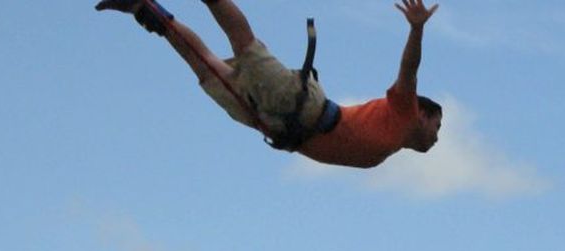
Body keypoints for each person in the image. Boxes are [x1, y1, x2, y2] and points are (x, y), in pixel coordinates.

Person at [96, 0, 442, 168]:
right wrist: (417, 29)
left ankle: (143, 8)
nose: (437, 137)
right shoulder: (403, 114)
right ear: (422, 114)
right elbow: (409, 69)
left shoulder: (387, 149)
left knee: (205, 68)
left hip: (276, 125)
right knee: (244, 45)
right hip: (300, 105)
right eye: (437, 126)